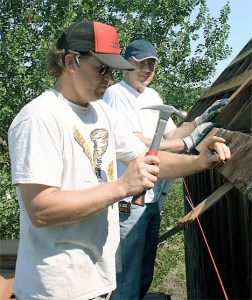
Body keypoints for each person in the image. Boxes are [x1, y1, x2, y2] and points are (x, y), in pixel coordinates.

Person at [8, 22, 230, 300]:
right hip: (56, 288)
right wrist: (123, 186)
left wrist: (200, 160)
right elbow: (41, 210)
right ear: (71, 62)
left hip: (97, 281)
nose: (109, 78)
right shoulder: (39, 118)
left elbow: (147, 158)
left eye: (112, 70)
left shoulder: (102, 112)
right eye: (101, 68)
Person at [103, 39, 229, 299]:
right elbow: (134, 142)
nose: (147, 69)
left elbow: (171, 134)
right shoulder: (117, 94)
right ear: (127, 64)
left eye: (151, 64)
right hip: (129, 201)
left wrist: (197, 122)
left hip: (151, 198)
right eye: (141, 63)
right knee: (125, 274)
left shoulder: (152, 96)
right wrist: (186, 143)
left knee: (143, 271)